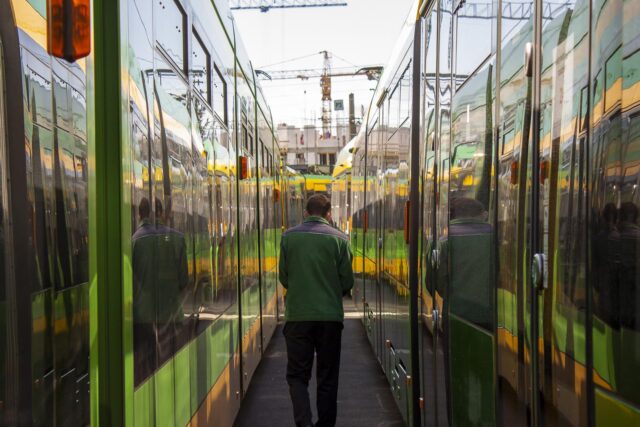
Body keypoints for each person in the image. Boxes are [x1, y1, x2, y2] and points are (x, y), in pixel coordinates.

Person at [279, 194, 354, 427]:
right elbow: (347, 282)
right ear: (328, 214)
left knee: (297, 376)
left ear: (305, 212)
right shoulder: (340, 239)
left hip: (298, 318)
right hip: (330, 318)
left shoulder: (288, 238)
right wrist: (330, 294)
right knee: (327, 377)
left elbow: (284, 277)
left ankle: (304, 423)